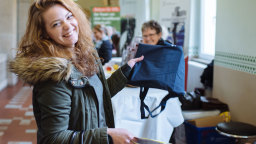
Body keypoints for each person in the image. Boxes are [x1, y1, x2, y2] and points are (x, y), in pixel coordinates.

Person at [9, 0, 143, 143]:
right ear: (46, 34)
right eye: (56, 24)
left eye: (69, 17)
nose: (67, 26)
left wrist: (126, 70)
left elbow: (97, 96)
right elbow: (53, 138)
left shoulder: (86, 55)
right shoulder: (55, 76)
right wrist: (107, 136)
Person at [141, 20, 184, 143]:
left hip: (166, 93)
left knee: (164, 124)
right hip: (152, 91)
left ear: (159, 35)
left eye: (151, 35)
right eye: (145, 35)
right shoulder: (146, 49)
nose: (148, 38)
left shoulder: (167, 49)